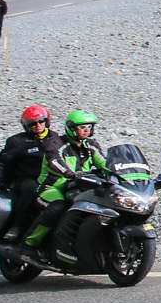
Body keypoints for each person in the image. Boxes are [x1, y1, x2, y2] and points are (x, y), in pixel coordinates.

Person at [21, 109, 109, 255]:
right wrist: (69, 173)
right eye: (82, 127)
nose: (86, 130)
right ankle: (29, 243)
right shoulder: (56, 143)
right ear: (72, 128)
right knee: (57, 208)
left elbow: (104, 162)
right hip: (53, 188)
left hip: (81, 188)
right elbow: (54, 160)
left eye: (89, 127)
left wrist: (122, 173)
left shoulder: (91, 145)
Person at [0, 105, 56, 242]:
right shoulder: (17, 142)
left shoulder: (56, 138)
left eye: (41, 121)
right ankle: (17, 226)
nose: (38, 126)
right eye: (33, 124)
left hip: (52, 179)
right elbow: (0, 164)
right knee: (30, 189)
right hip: (26, 179)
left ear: (47, 121)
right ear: (26, 126)